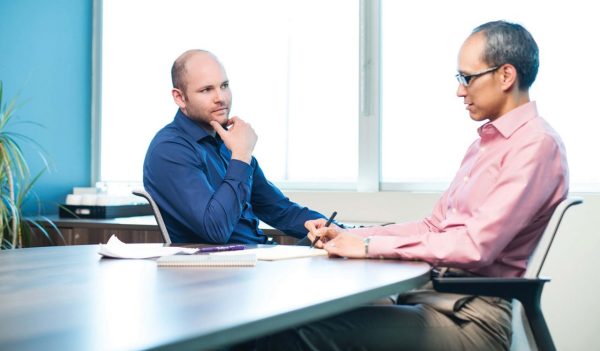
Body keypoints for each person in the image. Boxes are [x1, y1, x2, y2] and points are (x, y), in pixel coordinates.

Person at [243, 20, 569, 350]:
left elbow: (474, 247)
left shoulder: (535, 146)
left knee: (294, 334)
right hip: (438, 298)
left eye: (467, 78)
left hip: (471, 318)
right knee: (299, 316)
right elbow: (434, 226)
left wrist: (369, 248)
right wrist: (349, 235)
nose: (459, 90)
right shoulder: (484, 146)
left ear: (505, 76)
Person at [143, 49, 326, 244]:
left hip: (256, 260)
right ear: (180, 98)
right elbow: (216, 229)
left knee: (336, 246)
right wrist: (241, 155)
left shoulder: (227, 143)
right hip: (218, 268)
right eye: (206, 90)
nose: (220, 97)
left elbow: (280, 211)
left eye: (224, 86)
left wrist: (344, 232)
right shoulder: (169, 150)